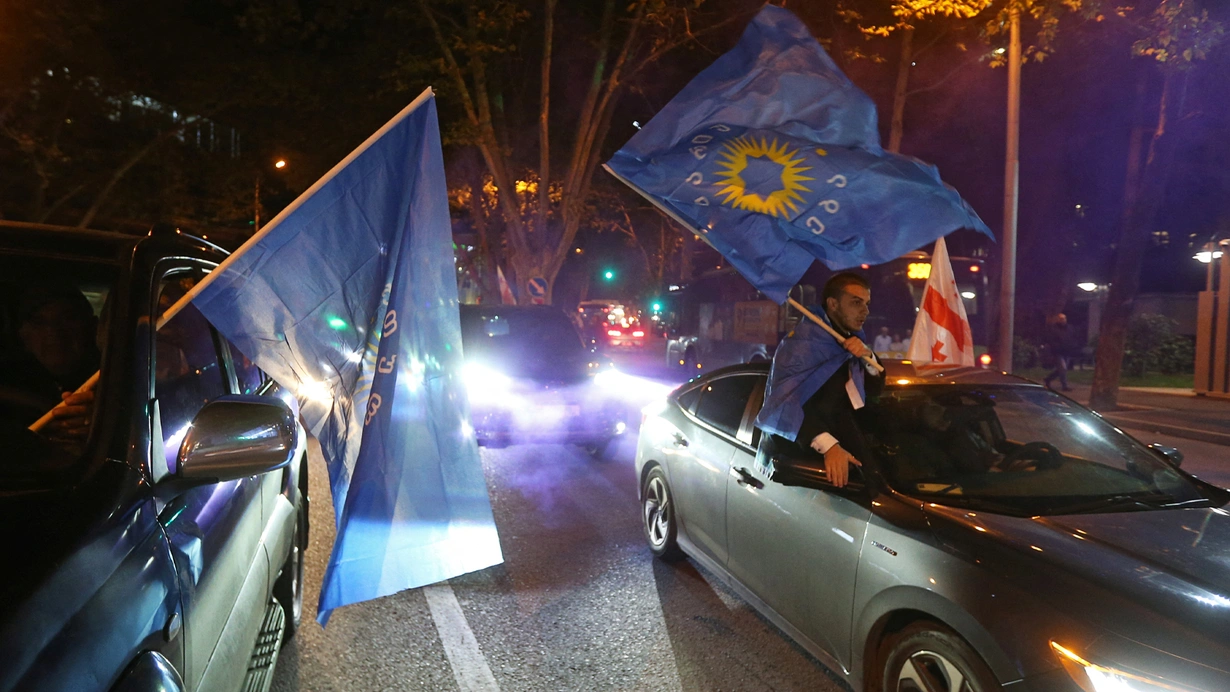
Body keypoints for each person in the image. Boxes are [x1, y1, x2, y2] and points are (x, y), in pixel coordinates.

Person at [794, 273, 886, 487]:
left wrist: (867, 357)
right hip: (815, 469)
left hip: (858, 457)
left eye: (867, 303)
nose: (865, 311)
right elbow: (787, 404)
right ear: (833, 304)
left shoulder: (850, 340)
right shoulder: (802, 346)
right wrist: (829, 446)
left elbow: (871, 394)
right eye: (856, 302)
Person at [0, 284, 102, 448]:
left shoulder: (115, 379)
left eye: (68, 318)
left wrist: (99, 422)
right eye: (38, 322)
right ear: (22, 334)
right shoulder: (8, 378)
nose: (53, 331)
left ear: (93, 327)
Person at [1043, 313, 1073, 392]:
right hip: (1058, 352)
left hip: (1067, 351)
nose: (1063, 320)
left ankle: (1048, 379)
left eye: (1064, 318)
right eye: (1061, 319)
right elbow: (1051, 340)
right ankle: (1064, 385)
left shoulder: (1069, 328)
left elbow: (1072, 337)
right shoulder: (1054, 329)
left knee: (1061, 369)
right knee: (1063, 368)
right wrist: (1056, 347)